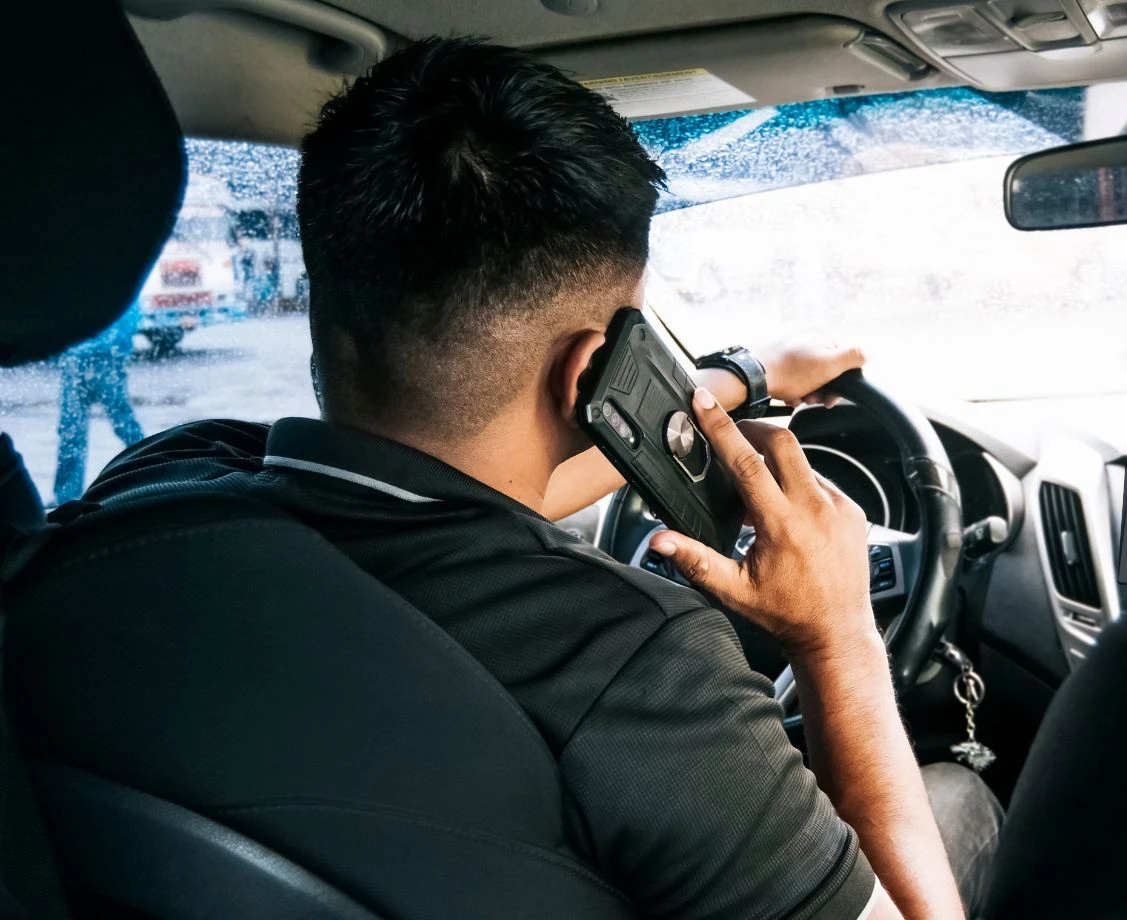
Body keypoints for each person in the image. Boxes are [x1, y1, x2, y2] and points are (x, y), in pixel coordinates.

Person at [76, 38, 1002, 918]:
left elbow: (465, 485)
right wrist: (838, 633)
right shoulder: (637, 667)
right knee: (957, 795)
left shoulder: (158, 490)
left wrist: (744, 376)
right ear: (588, 376)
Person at [52, 299, 145, 504]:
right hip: (78, 360)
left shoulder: (111, 283)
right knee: (71, 430)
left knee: (124, 424)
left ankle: (153, 473)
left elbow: (130, 315)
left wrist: (113, 347)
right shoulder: (98, 282)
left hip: (103, 359)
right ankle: (66, 497)